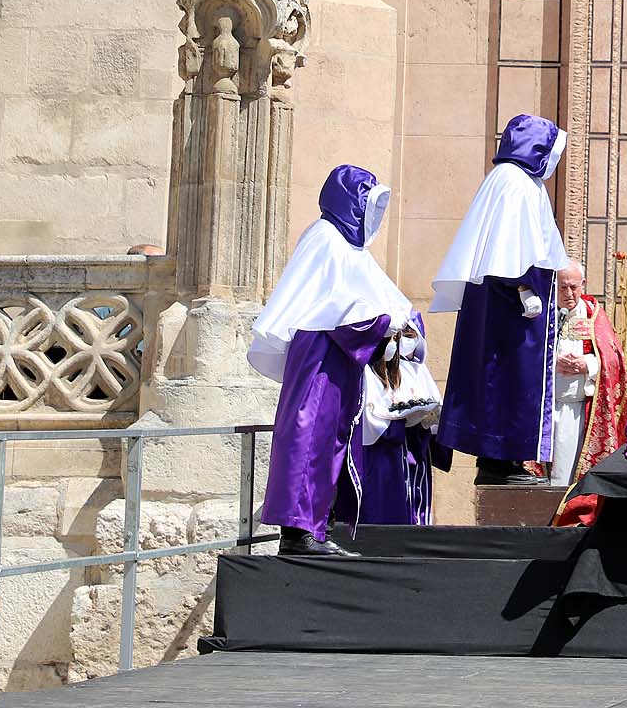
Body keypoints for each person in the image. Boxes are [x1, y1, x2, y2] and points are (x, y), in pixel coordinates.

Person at [249, 165, 412, 556]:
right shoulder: (324, 239)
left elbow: (372, 297)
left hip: (337, 356)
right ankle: (298, 531)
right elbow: (335, 305)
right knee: (310, 435)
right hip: (319, 353)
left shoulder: (346, 245)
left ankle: (316, 525)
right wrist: (385, 324)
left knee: (333, 436)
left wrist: (392, 326)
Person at [431, 113, 583, 486]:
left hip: (507, 303)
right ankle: (500, 460)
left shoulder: (513, 183)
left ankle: (507, 458)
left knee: (509, 378)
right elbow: (512, 253)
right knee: (508, 377)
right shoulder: (515, 185)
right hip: (512, 305)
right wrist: (526, 288)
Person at [335, 305, 442, 528]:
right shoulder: (366, 372)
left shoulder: (416, 370)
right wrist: (399, 421)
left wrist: (425, 418)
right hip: (375, 455)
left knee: (404, 505)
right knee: (377, 508)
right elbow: (369, 417)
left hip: (406, 451)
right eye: (397, 336)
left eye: (409, 336)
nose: (399, 342)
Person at [547, 267, 627, 486]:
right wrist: (552, 361)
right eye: (563, 287)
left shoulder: (593, 316)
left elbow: (614, 360)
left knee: (568, 473)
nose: (569, 293)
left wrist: (588, 364)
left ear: (583, 284)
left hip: (578, 411)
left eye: (574, 287)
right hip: (544, 408)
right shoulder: (545, 314)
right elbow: (527, 352)